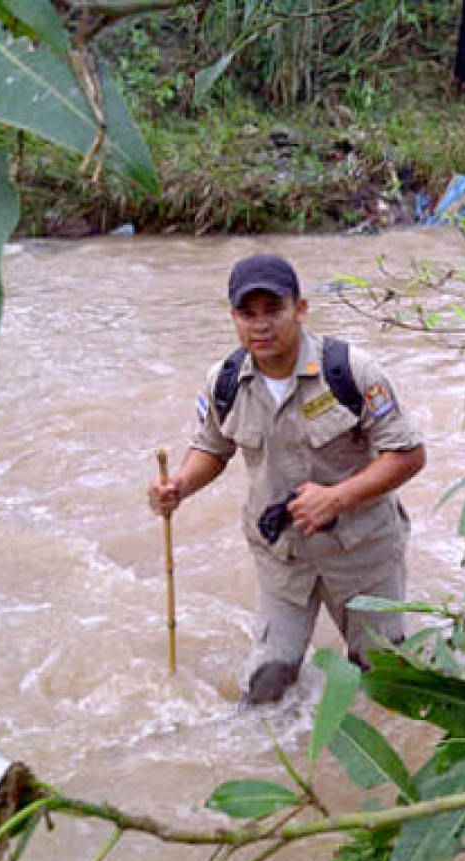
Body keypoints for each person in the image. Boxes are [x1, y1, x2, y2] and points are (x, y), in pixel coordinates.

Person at [148, 253, 426, 705]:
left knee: (386, 683)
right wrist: (179, 486)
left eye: (273, 310)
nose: (260, 325)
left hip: (362, 550)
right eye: (247, 313)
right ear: (233, 316)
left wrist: (336, 498)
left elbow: (409, 455)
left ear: (300, 308)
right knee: (266, 688)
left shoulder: (351, 371)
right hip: (283, 555)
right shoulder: (223, 381)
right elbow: (212, 447)